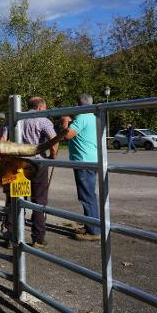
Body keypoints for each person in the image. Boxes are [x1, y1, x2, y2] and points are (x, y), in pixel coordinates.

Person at [2, 96, 58, 248]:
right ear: (40, 107)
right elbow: (53, 141)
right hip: (37, 163)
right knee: (39, 199)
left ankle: (11, 235)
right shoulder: (43, 120)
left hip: (17, 163)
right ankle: (38, 238)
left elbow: (3, 140)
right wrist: (53, 157)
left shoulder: (12, 119)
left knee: (14, 198)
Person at [60, 93, 100, 241]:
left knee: (86, 195)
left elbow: (67, 135)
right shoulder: (94, 117)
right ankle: (91, 224)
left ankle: (94, 230)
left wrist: (64, 121)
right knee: (90, 194)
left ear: (78, 105)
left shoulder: (81, 117)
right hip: (91, 159)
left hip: (83, 161)